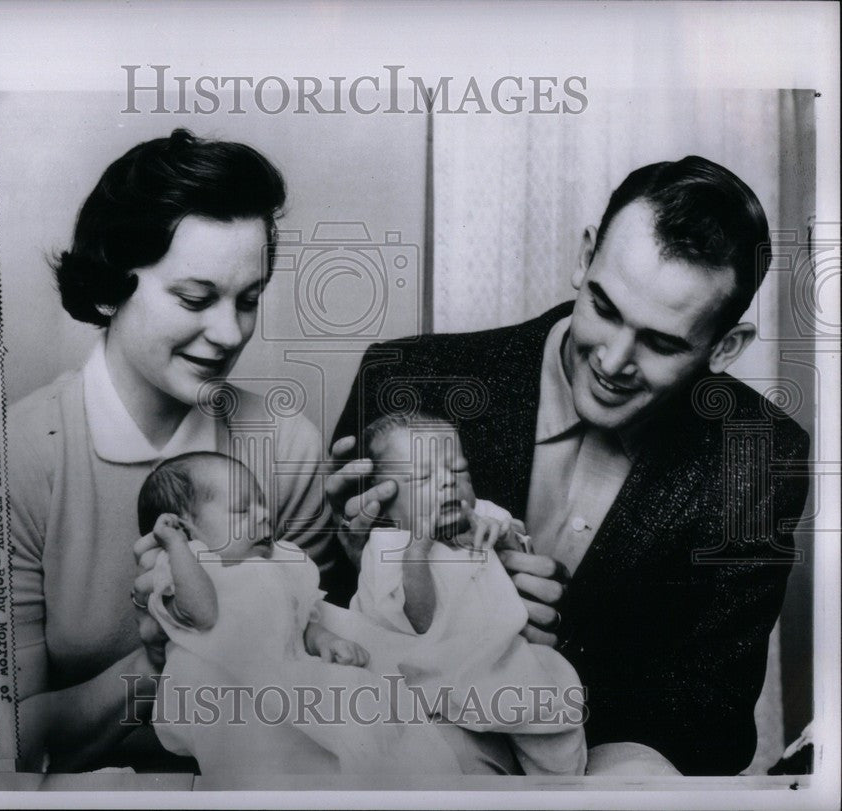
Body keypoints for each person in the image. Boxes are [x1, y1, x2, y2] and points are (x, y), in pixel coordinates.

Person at [328, 156, 810, 776]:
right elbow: (314, 648)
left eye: (661, 342)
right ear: (585, 257)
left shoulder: (760, 456)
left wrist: (546, 642)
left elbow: (712, 727)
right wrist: (359, 563)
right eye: (603, 308)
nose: (613, 360)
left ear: (726, 347)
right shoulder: (408, 384)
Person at [8, 129, 343, 772]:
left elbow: (316, 685)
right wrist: (156, 661)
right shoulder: (21, 460)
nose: (229, 332)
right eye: (195, 298)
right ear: (109, 287)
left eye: (249, 301)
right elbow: (4, 742)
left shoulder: (287, 446)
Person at [138, 451, 459, 775]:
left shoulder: (271, 565)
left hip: (288, 678)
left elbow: (296, 619)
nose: (264, 514)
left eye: (263, 503)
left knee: (355, 719)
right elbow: (203, 614)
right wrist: (177, 547)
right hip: (222, 695)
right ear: (184, 528)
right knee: (259, 759)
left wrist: (325, 640)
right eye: (242, 509)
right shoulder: (180, 570)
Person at [351, 413, 587, 776]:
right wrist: (419, 550)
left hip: (504, 654)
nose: (448, 482)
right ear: (384, 503)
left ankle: (564, 787)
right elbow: (420, 619)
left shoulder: (482, 514)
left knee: (554, 717)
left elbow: (522, 555)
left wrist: (504, 536)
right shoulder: (388, 545)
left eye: (459, 471)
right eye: (423, 478)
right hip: (435, 673)